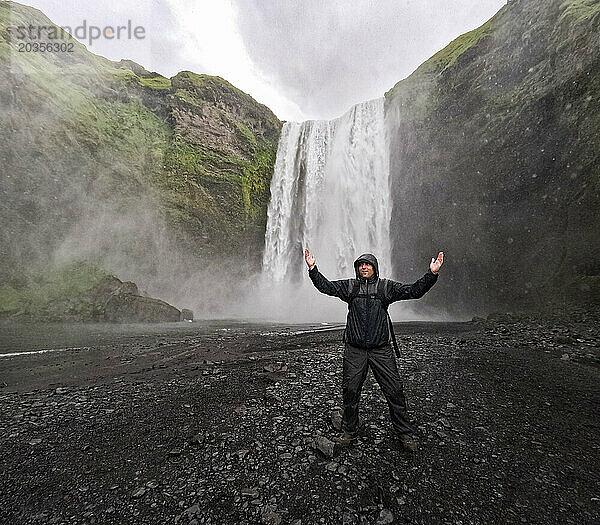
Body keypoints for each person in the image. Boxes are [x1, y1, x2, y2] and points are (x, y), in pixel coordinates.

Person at [304, 248, 444, 451]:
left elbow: (413, 291)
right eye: (361, 264)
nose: (364, 267)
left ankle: (405, 433)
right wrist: (313, 269)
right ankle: (349, 432)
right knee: (350, 392)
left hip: (381, 349)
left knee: (394, 391)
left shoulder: (385, 287)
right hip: (355, 349)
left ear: (375, 268)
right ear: (357, 268)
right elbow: (327, 287)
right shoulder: (350, 287)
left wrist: (432, 274)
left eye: (368, 264)